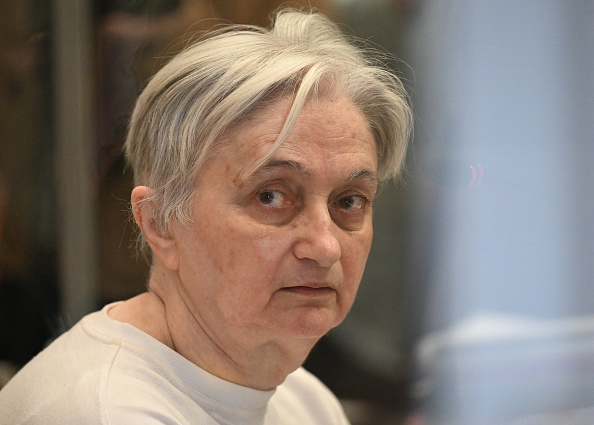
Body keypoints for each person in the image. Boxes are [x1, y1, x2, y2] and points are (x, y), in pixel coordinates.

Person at [0, 8, 411, 424]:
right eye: (270, 196)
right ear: (160, 222)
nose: (325, 247)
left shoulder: (304, 402)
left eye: (349, 201)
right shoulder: (107, 410)